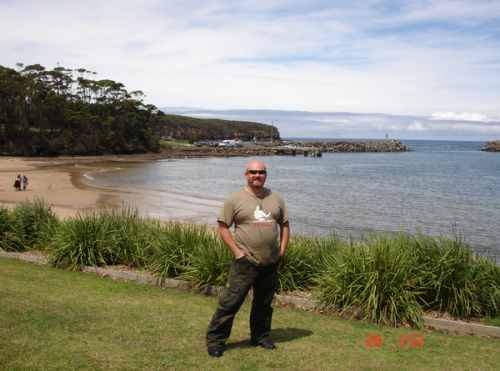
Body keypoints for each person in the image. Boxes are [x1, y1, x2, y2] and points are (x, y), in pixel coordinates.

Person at [206, 160, 290, 358]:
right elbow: (223, 227)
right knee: (230, 303)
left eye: (261, 172)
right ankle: (216, 340)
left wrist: (282, 251)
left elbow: (285, 224)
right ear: (246, 175)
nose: (257, 175)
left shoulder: (275, 198)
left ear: (266, 175)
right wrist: (238, 253)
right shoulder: (235, 199)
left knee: (264, 303)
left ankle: (260, 336)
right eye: (253, 172)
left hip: (270, 262)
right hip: (245, 262)